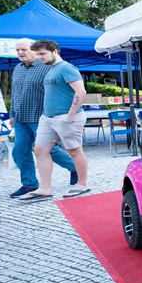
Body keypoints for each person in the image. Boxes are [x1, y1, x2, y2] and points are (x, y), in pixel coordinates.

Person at [17, 40, 90, 200]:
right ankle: (44, 188)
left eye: (43, 54)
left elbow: (81, 91)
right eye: (38, 54)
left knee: (74, 151)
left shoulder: (67, 68)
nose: (40, 57)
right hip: (47, 118)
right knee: (39, 150)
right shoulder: (51, 69)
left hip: (66, 117)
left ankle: (82, 184)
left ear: (55, 51)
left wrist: (70, 115)